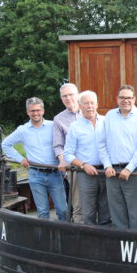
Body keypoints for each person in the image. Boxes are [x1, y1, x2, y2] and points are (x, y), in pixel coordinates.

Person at [2, 97, 68, 220]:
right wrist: (20, 159)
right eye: (32, 111)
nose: (35, 113)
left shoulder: (53, 126)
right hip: (36, 175)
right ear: (27, 112)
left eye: (38, 110)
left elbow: (65, 143)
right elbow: (5, 144)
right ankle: (45, 238)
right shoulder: (22, 130)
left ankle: (64, 238)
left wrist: (64, 162)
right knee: (43, 212)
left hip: (55, 173)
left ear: (43, 111)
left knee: (63, 210)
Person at [98, 85, 137, 230]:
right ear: (117, 99)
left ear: (134, 99)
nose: (125, 100)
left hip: (134, 170)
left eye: (128, 97)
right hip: (112, 171)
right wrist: (107, 165)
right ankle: (121, 245)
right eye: (122, 97)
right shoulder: (109, 116)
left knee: (136, 212)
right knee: (116, 211)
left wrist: (129, 168)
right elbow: (102, 143)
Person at [63, 91, 111, 226]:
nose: (89, 106)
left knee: (106, 210)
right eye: (85, 103)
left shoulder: (107, 122)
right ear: (80, 105)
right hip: (85, 173)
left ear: (97, 104)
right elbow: (68, 154)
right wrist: (84, 165)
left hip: (106, 172)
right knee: (88, 212)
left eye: (92, 103)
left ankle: (105, 242)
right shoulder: (75, 127)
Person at [53, 83, 82, 223]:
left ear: (77, 95)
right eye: (65, 96)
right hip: (74, 166)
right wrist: (62, 160)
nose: (68, 98)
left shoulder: (89, 111)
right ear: (61, 99)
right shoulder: (58, 119)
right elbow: (58, 146)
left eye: (71, 94)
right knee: (78, 203)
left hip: (95, 164)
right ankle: (79, 230)